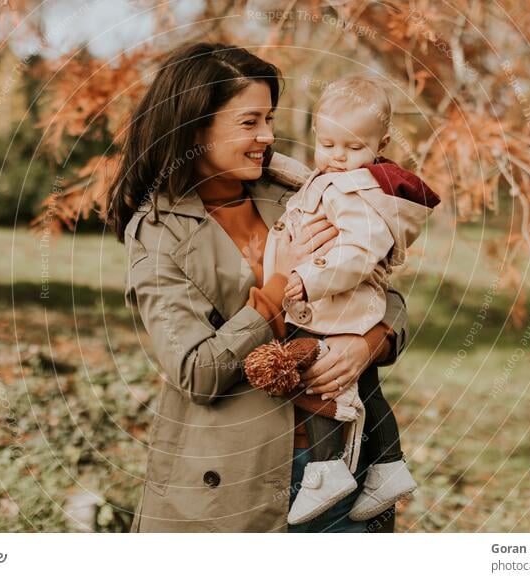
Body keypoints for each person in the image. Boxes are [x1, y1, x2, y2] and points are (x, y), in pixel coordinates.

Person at [109, 42, 408, 532]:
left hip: (348, 461)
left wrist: (369, 343)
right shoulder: (159, 231)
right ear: (195, 126)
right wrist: (276, 288)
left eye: (268, 119)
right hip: (237, 480)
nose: (268, 136)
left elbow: (382, 292)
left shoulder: (299, 193)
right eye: (249, 122)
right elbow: (196, 371)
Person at [259, 73, 440, 525]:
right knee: (364, 388)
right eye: (329, 144)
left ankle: (327, 469)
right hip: (339, 302)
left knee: (326, 381)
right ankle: (387, 466)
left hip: (337, 301)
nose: (338, 158)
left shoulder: (357, 191)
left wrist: (305, 275)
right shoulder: (339, 180)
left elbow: (358, 251)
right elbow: (312, 183)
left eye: (354, 148)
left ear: (380, 144)